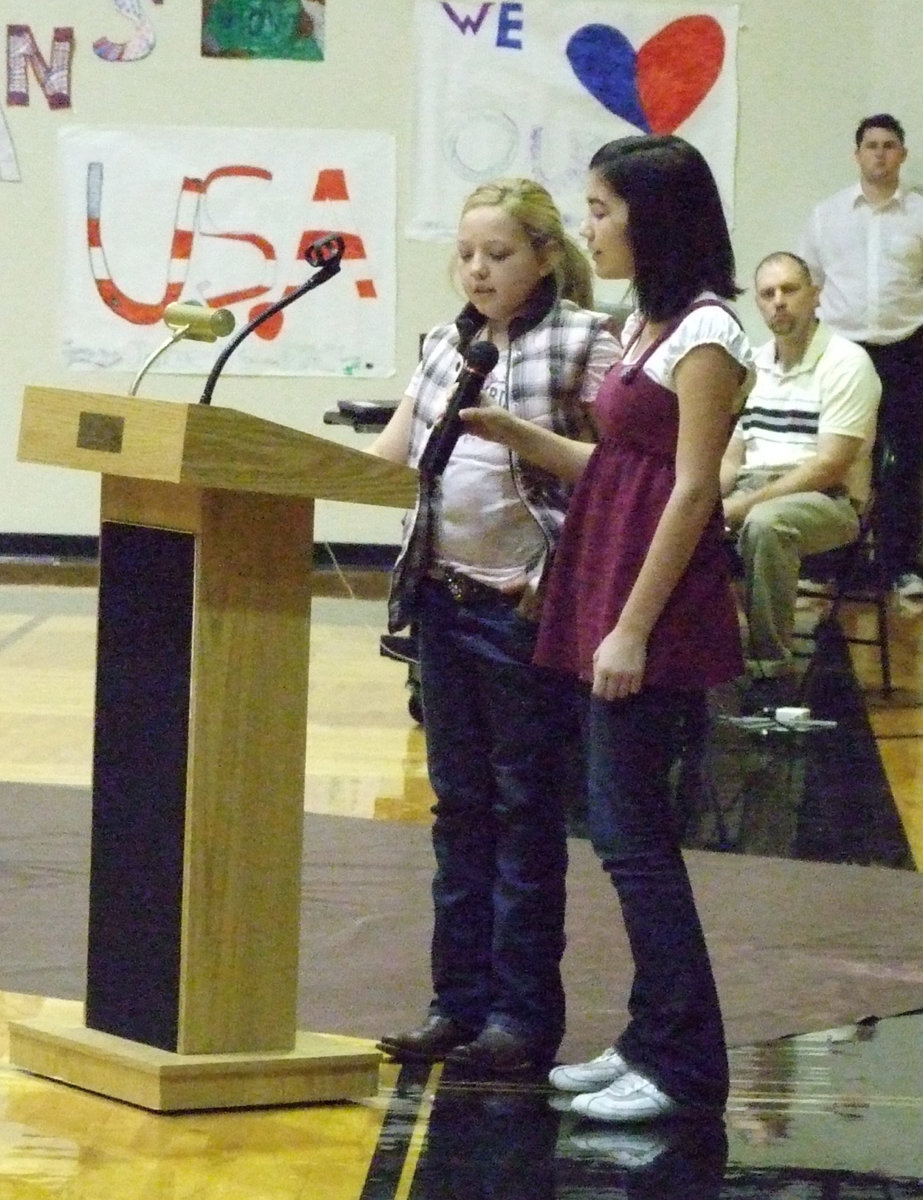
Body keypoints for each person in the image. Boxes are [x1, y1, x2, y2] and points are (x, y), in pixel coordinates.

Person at [460, 135, 753, 1122]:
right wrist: (517, 436)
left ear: (651, 218)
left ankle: (685, 1066)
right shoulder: (648, 322)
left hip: (652, 610)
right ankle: (649, 1038)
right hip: (609, 587)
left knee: (633, 843)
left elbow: (690, 490)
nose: (588, 226)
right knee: (622, 838)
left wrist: (627, 629)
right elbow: (620, 471)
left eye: (599, 209)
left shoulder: (706, 333)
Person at [367, 178, 620, 1075]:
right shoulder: (445, 344)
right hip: (441, 602)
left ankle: (520, 1017)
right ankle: (454, 1002)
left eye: (499, 254)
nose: (477, 269)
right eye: (467, 254)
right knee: (458, 812)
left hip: (523, 610)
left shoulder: (586, 341)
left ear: (547, 256)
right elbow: (387, 457)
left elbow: (620, 475)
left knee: (522, 813)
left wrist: (523, 443)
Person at [721, 252, 881, 690]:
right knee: (673, 511)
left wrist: (738, 507)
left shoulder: (846, 362)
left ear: (815, 296)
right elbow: (732, 458)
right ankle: (692, 659)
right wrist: (702, 500)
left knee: (766, 524)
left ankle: (769, 664)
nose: (778, 301)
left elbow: (830, 466)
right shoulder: (752, 364)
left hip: (828, 499)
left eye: (790, 290)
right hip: (753, 491)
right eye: (768, 294)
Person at [800, 113, 923, 598]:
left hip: (908, 347)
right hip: (843, 350)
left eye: (889, 145)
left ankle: (898, 565)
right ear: (856, 155)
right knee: (839, 454)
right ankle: (833, 560)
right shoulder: (826, 215)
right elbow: (809, 284)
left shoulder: (920, 213)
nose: (879, 153)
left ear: (903, 155)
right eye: (870, 145)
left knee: (905, 457)